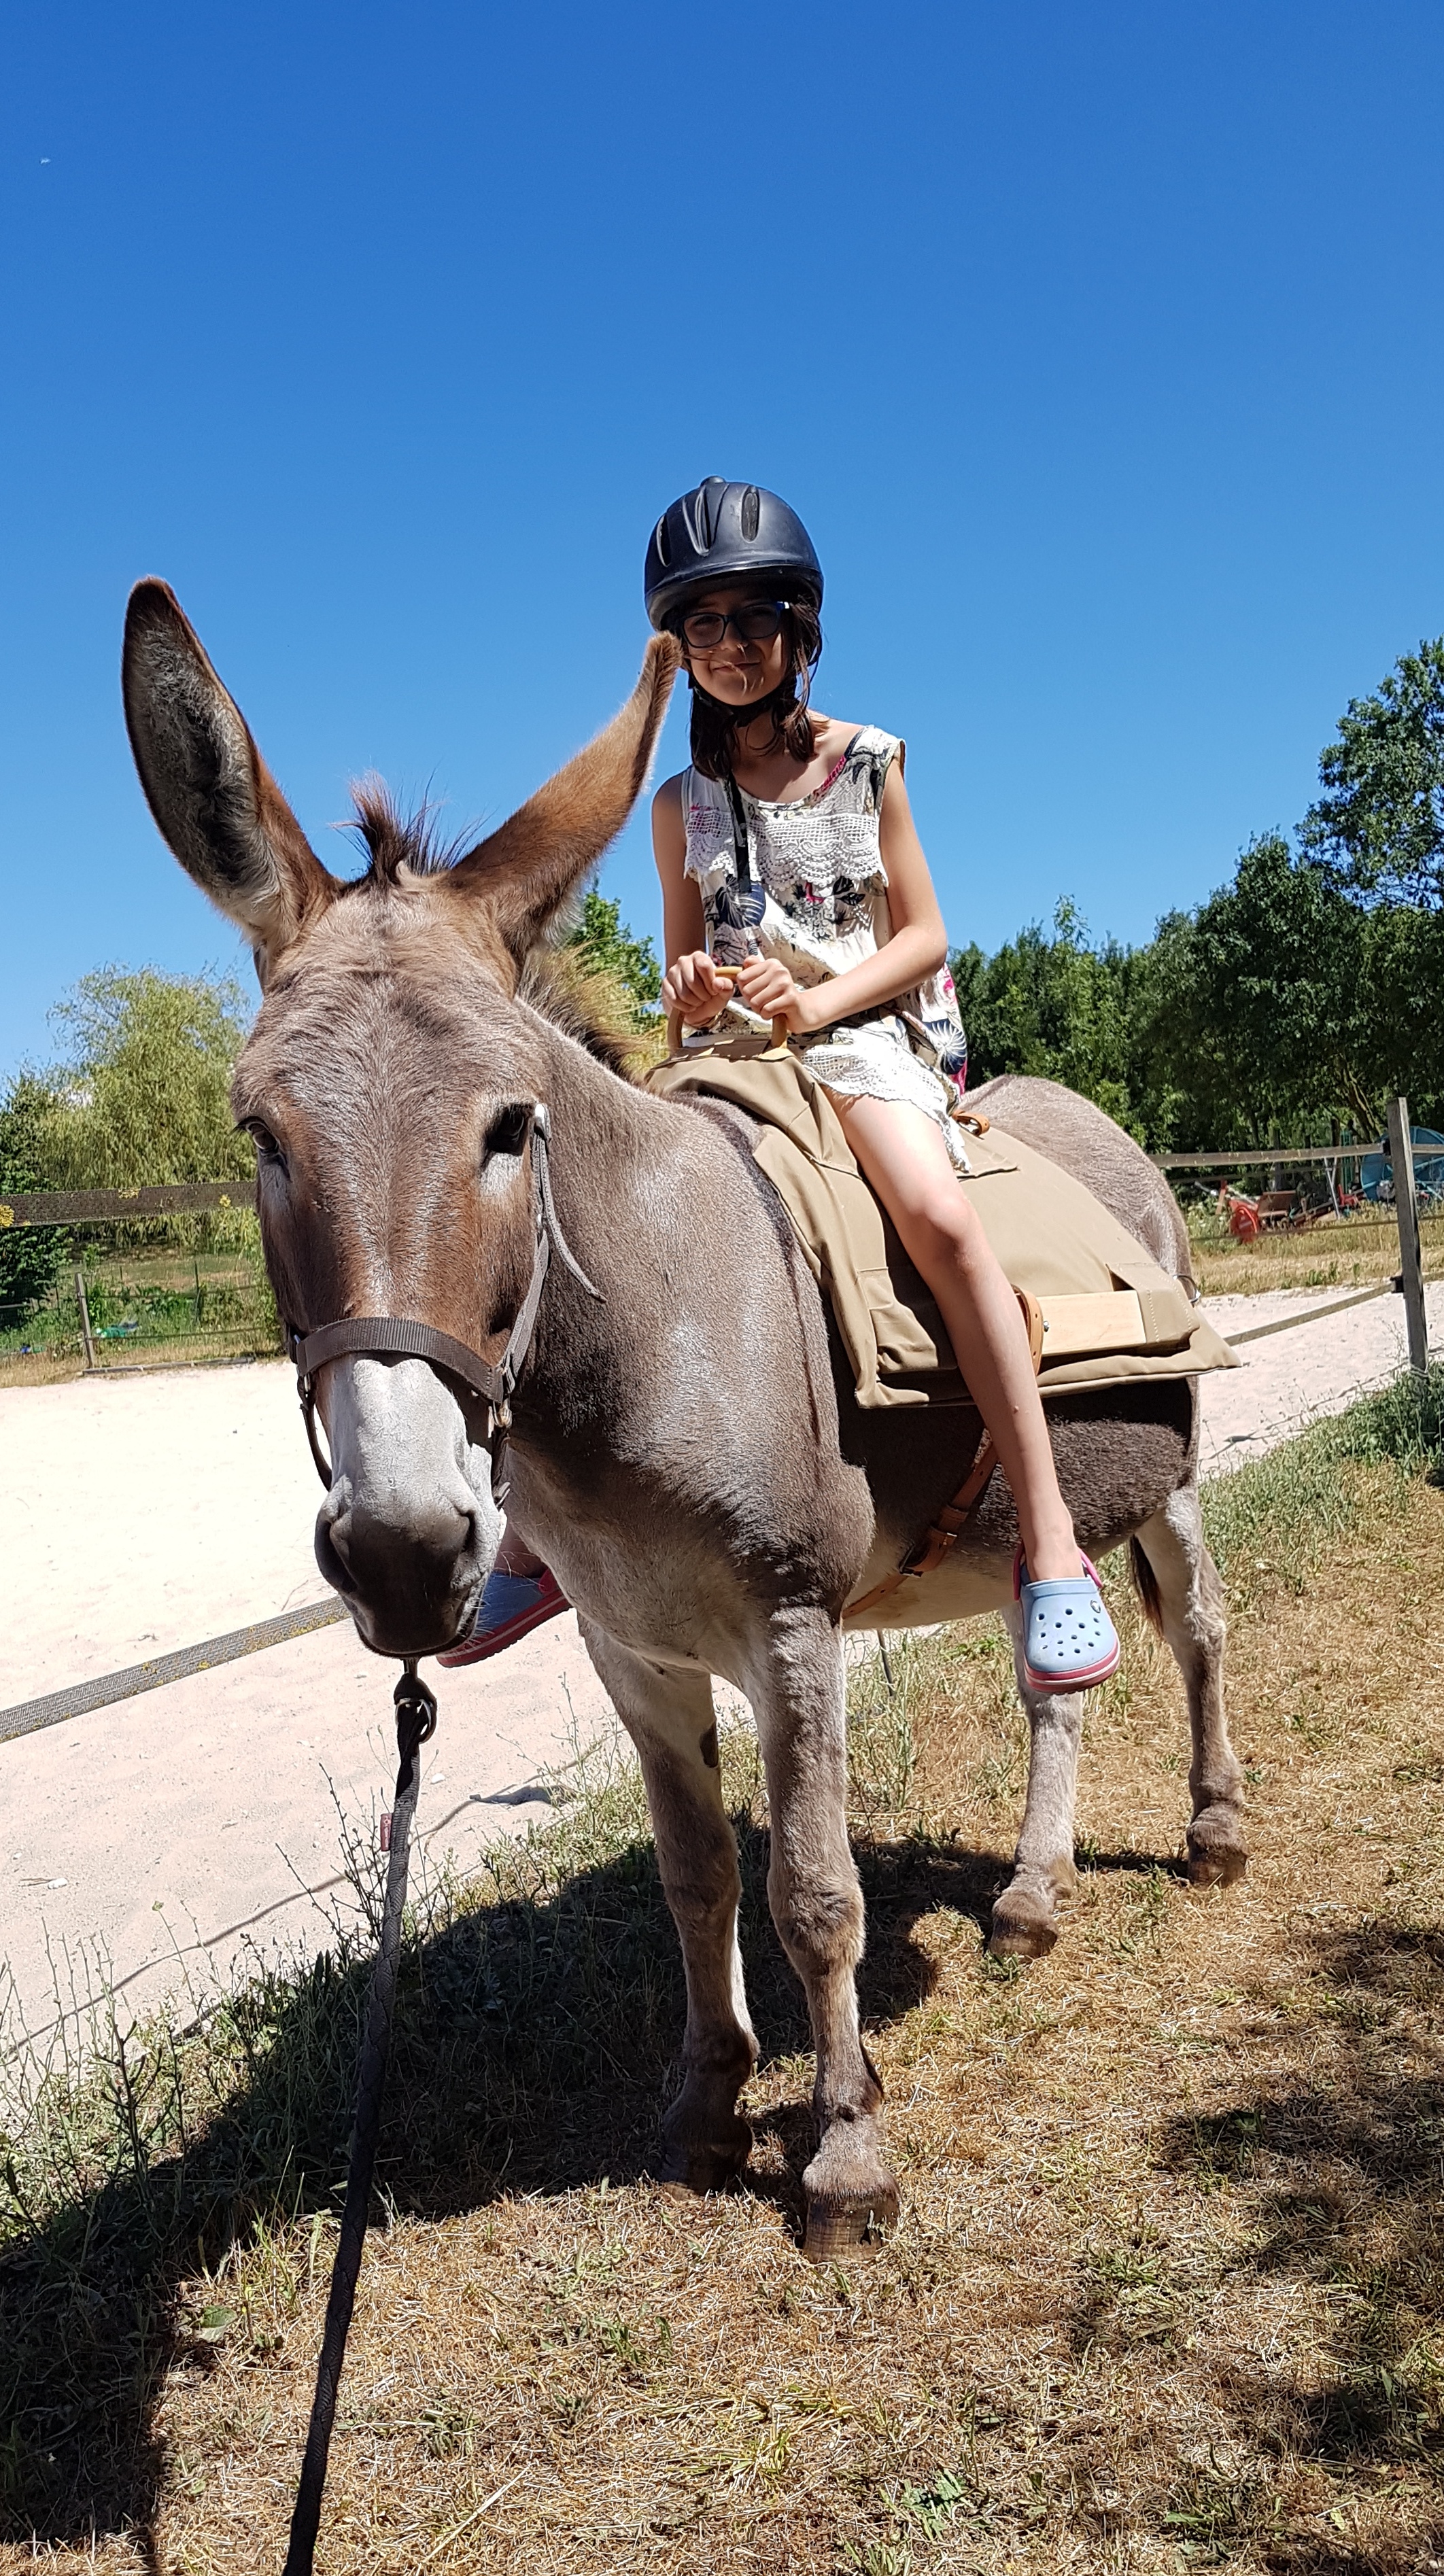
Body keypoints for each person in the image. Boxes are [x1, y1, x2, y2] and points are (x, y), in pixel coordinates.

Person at [441, 478, 1118, 1693]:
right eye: (703, 627)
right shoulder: (674, 807)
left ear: (801, 631)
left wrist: (821, 999)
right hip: (733, 1054)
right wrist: (695, 990)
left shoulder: (868, 763)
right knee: (576, 1205)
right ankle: (541, 1533)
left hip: (858, 1038)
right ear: (678, 646)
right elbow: (677, 975)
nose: (731, 648)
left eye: (755, 621)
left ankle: (1053, 1542)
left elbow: (925, 938)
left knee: (942, 1218)